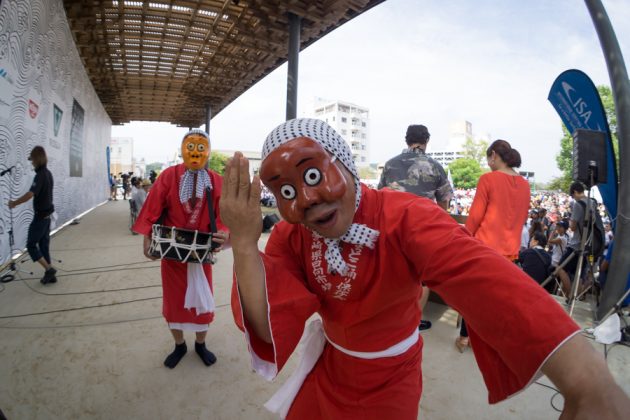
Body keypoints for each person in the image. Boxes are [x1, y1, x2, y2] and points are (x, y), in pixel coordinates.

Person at [220, 119, 629, 419]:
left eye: (313, 175)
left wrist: (588, 381)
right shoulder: (292, 236)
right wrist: (242, 242)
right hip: (329, 369)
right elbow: (266, 321)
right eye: (288, 191)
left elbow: (481, 275)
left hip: (390, 378)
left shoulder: (406, 216)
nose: (307, 200)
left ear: (343, 164)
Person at [133, 129, 229, 369]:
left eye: (200, 147)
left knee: (202, 303)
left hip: (201, 254)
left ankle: (200, 344)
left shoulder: (217, 181)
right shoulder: (168, 176)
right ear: (182, 149)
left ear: (207, 151)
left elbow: (225, 214)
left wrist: (224, 232)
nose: (195, 153)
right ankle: (179, 345)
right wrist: (147, 237)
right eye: (190, 146)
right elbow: (153, 208)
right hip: (172, 253)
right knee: (174, 303)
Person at [455, 139, 531, 352]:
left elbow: (475, 217)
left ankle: (464, 338)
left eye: (489, 158)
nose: (488, 163)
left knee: (474, 297)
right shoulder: (525, 184)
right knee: (496, 299)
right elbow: (521, 218)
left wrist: (463, 239)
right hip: (510, 250)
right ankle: (491, 341)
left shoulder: (488, 179)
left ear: (495, 155)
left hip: (484, 247)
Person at [378, 124, 453, 331]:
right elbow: (444, 202)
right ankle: (414, 322)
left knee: (393, 274)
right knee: (423, 279)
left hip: (392, 228)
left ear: (406, 140)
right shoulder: (435, 166)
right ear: (426, 141)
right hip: (423, 230)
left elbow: (380, 195)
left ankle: (391, 316)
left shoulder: (390, 165)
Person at [8, 146, 57, 284]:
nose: (32, 163)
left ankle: (49, 269)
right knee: (43, 246)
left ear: (37, 158)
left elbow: (30, 194)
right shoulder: (48, 173)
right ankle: (50, 275)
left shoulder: (40, 175)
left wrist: (14, 203)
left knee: (30, 245)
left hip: (41, 217)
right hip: (47, 216)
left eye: (33, 160)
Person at [557, 181, 595, 297]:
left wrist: (570, 221)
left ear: (575, 192)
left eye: (572, 195)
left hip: (576, 245)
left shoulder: (578, 204)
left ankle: (569, 295)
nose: (572, 198)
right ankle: (576, 299)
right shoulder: (592, 202)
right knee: (578, 274)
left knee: (560, 268)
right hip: (587, 244)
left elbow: (572, 228)